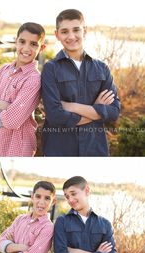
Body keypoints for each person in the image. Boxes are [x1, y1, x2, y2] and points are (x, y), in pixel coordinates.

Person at [41, 9, 120, 156]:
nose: (71, 36)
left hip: (95, 148)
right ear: (57, 34)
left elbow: (114, 112)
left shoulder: (102, 68)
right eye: (64, 31)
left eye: (76, 30)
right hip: (59, 149)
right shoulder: (50, 69)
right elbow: (55, 116)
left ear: (85, 31)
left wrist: (71, 106)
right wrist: (96, 110)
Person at [0, 22, 46, 156]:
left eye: (33, 44)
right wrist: (2, 105)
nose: (26, 48)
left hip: (16, 149)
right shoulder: (4, 69)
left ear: (41, 48)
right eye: (22, 41)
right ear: (16, 42)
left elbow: (11, 121)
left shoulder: (33, 79)